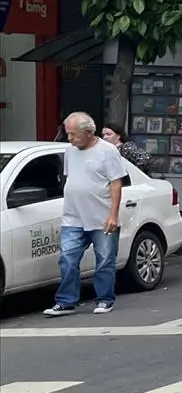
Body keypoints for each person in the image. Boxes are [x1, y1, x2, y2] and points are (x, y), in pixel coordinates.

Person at [45, 112, 128, 317]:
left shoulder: (107, 151)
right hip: (73, 216)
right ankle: (66, 301)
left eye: (74, 134)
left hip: (101, 217)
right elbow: (71, 179)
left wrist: (113, 215)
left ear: (89, 133)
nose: (70, 138)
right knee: (68, 259)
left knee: (105, 259)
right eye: (68, 134)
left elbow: (116, 183)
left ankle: (104, 299)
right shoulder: (70, 151)